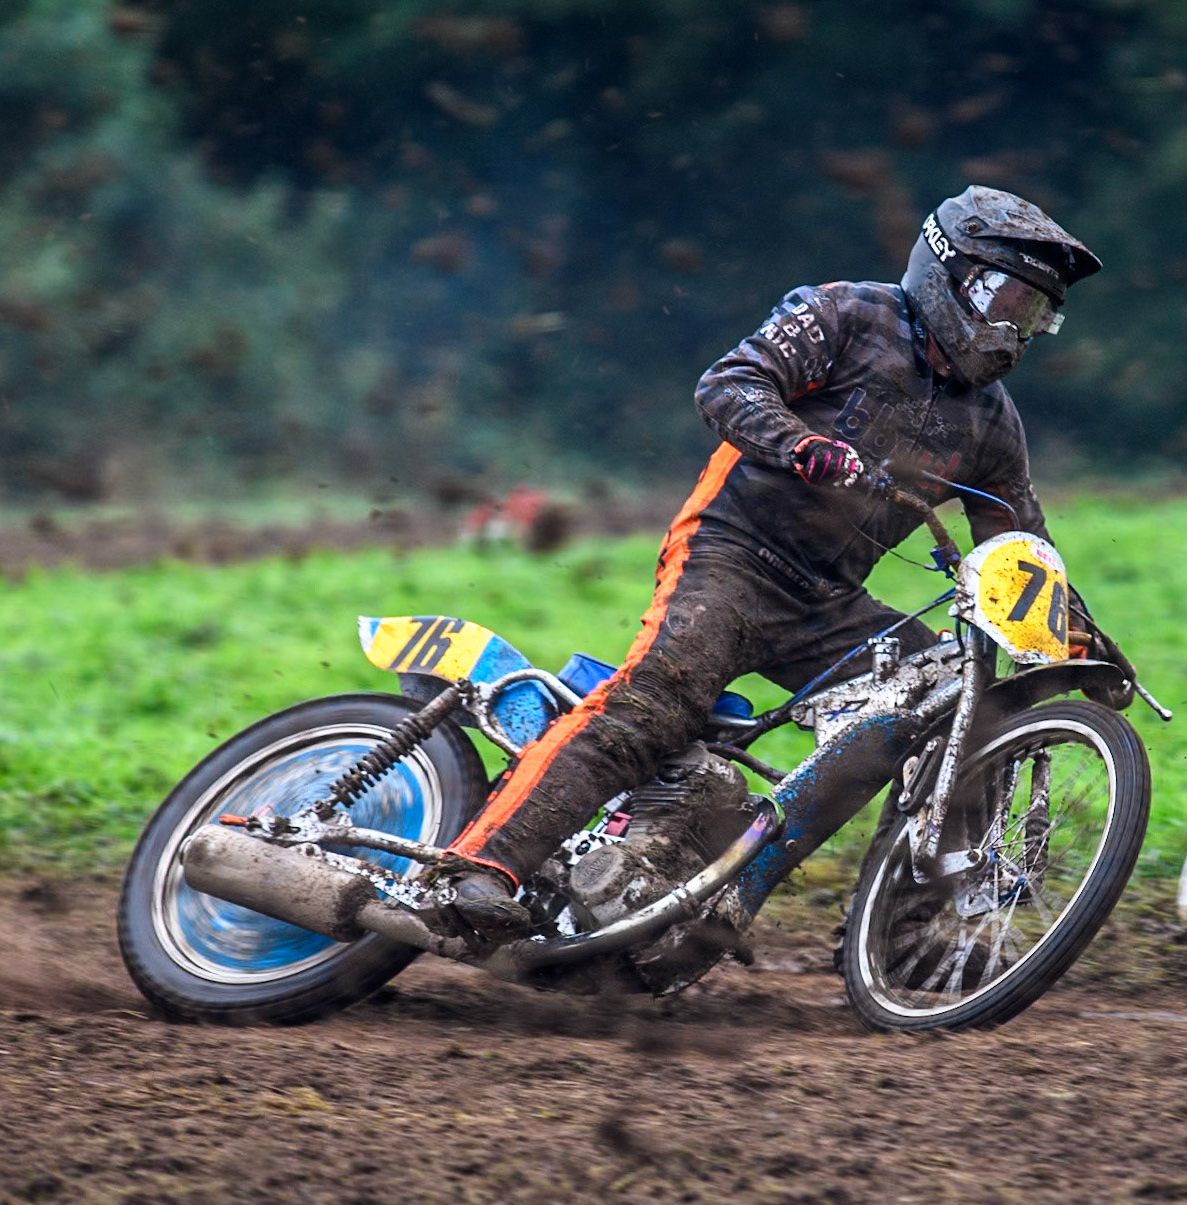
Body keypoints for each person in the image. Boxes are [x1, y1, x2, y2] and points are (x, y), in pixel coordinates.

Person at [436, 185, 1103, 938]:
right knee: (653, 706)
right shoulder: (846, 314)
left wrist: (1074, 632)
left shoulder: (992, 422)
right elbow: (727, 384)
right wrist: (801, 443)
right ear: (949, 272)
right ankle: (479, 868)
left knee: (959, 708)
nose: (1013, 330)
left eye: (1033, 314)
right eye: (1005, 302)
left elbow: (1018, 543)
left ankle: (907, 936)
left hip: (829, 605)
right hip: (730, 555)